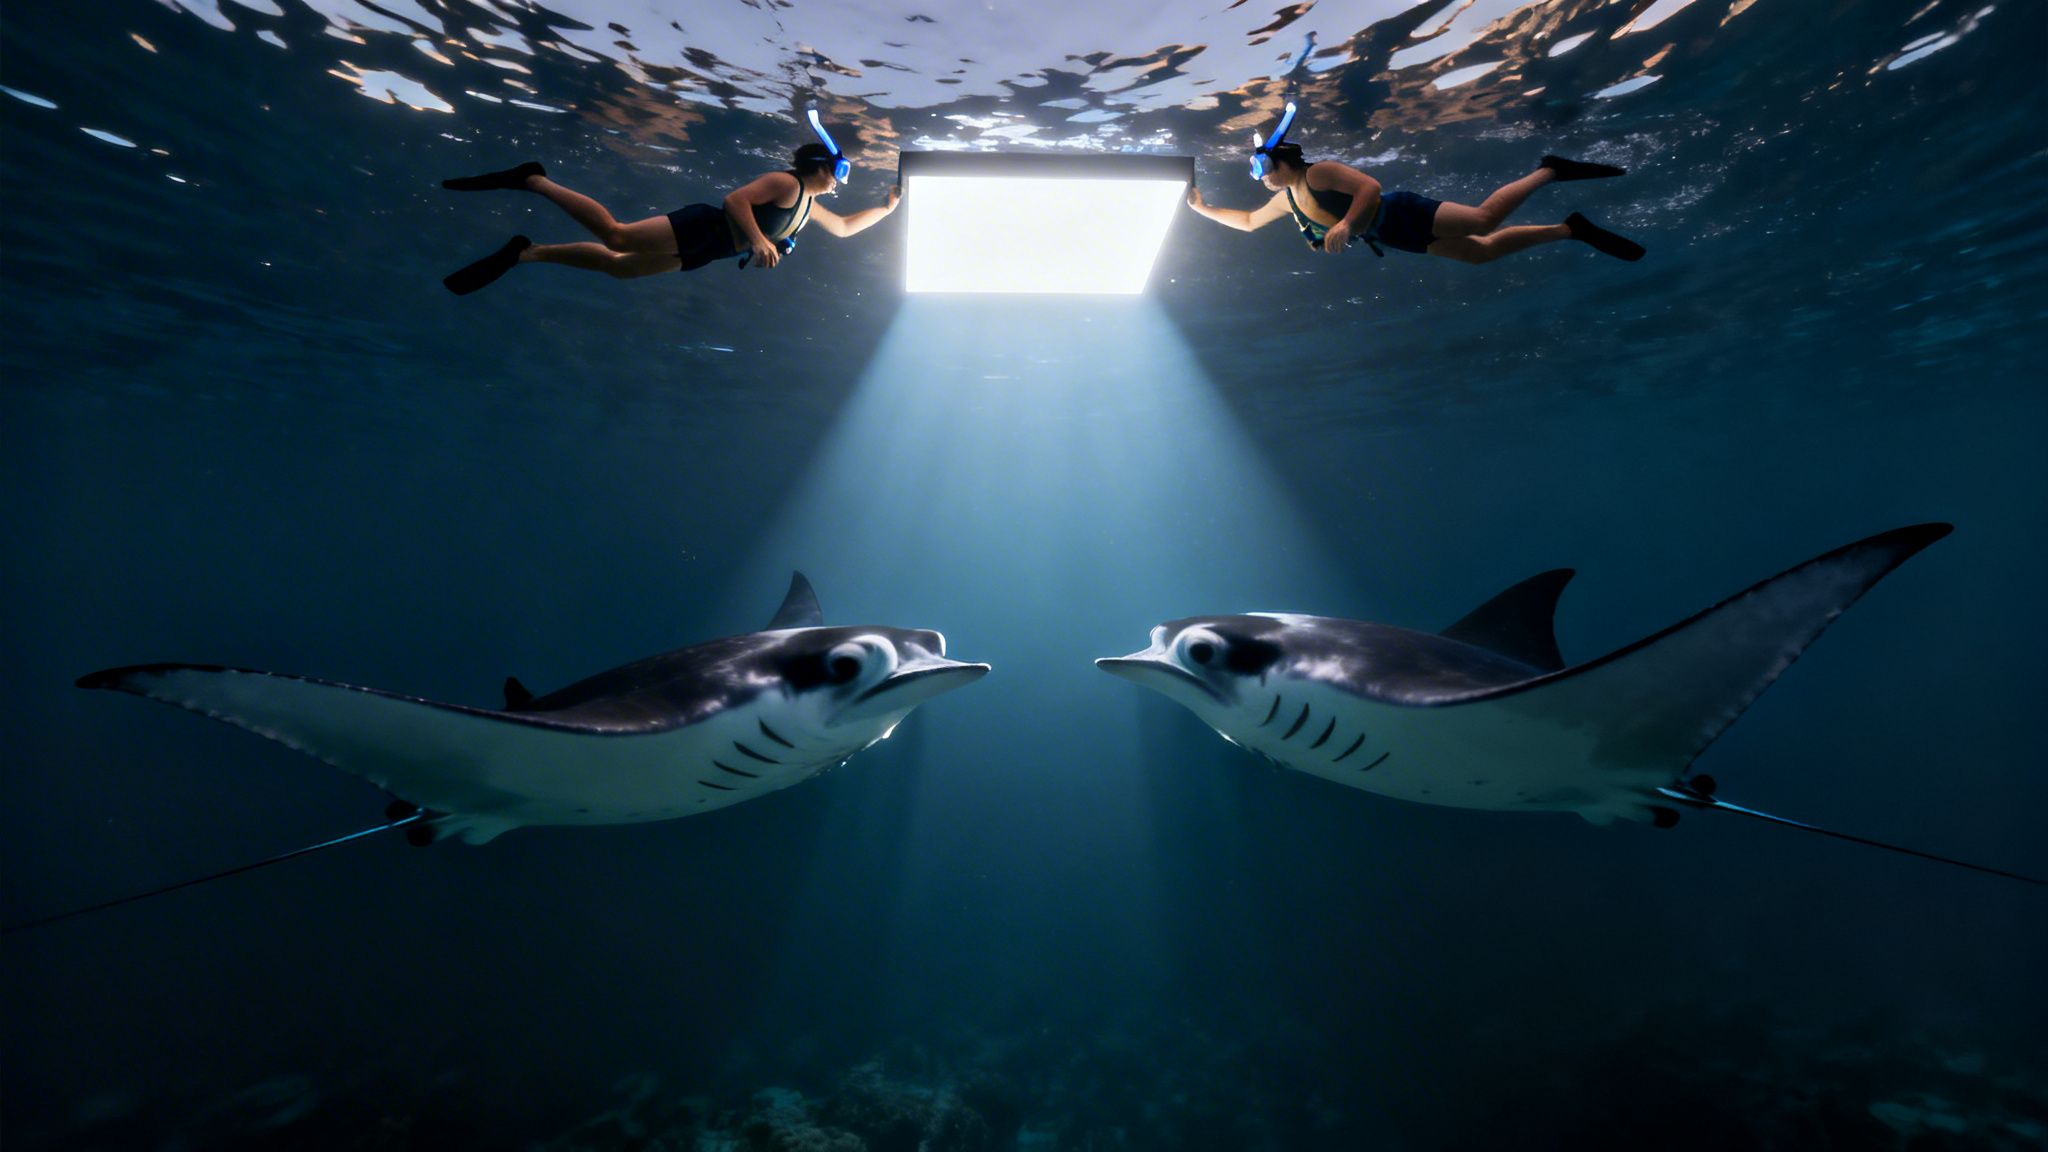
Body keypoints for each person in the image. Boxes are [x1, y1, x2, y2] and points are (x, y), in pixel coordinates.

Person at [439, 111, 900, 294]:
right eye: (840, 172)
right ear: (819, 167)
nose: (841, 182)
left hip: (709, 251)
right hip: (705, 229)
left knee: (618, 267)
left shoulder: (808, 206)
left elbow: (842, 228)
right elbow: (735, 200)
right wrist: (759, 241)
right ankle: (534, 180)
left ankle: (525, 252)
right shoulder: (785, 183)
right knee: (616, 235)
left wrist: (887, 208)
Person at [1185, 101, 1645, 265]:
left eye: (1257, 168)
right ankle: (1571, 229)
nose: (1257, 178)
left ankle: (1550, 170)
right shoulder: (1289, 199)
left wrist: (1345, 225)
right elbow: (1246, 221)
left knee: (1484, 220)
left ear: (1276, 162)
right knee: (1481, 254)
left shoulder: (1317, 173)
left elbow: (1369, 187)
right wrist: (1202, 209)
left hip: (1397, 212)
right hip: (1392, 235)